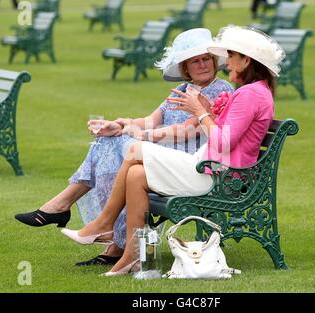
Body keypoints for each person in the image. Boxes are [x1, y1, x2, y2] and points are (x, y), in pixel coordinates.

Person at [60, 25, 285, 276]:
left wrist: (200, 113)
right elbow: (224, 134)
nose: (227, 63)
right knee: (135, 174)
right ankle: (132, 255)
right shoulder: (252, 92)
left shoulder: (250, 95)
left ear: (246, 60)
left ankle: (103, 224)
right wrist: (205, 112)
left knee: (134, 151)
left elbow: (222, 143)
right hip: (212, 168)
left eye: (231, 57)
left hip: (219, 177)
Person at [14, 28, 234, 266]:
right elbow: (152, 118)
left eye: (206, 59)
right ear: (185, 68)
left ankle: (75, 214)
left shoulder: (220, 90)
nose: (202, 65)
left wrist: (138, 134)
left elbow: (188, 130)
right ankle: (105, 234)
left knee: (118, 144)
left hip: (188, 160)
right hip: (163, 154)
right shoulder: (182, 90)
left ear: (214, 61)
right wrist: (121, 124)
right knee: (108, 139)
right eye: (195, 61)